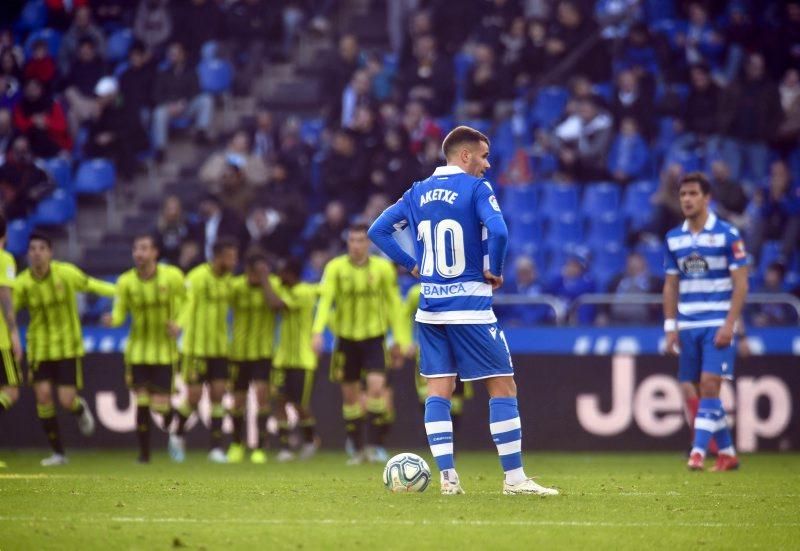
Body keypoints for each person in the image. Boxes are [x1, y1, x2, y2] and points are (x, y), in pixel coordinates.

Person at [368, 126, 559, 496]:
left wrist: (411, 263)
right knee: (503, 386)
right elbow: (499, 232)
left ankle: (448, 479)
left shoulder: (417, 191)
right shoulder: (476, 189)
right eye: (484, 156)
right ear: (466, 155)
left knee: (439, 390)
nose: (488, 165)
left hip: (431, 309)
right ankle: (515, 479)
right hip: (470, 307)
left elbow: (378, 230)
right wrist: (497, 269)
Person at [663, 172, 748, 472]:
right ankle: (727, 453)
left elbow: (741, 284)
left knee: (711, 385)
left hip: (717, 323)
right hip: (688, 326)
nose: (686, 199)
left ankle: (697, 453)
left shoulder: (728, 235)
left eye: (692, 194)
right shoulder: (674, 238)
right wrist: (670, 327)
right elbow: (671, 285)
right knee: (695, 389)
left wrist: (731, 324)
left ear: (706, 198)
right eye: (683, 194)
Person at [14, 232, 116, 466]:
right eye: (33, 249)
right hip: (39, 348)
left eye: (42, 248)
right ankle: (58, 453)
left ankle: (79, 409)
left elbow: (92, 285)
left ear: (50, 253)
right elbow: (8, 311)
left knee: (66, 399)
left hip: (68, 347)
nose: (37, 253)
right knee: (43, 397)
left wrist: (121, 291)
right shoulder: (22, 283)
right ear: (28, 253)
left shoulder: (66, 273)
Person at [311, 223, 409, 465]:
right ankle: (356, 449)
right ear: (348, 243)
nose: (357, 245)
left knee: (376, 390)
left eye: (361, 240)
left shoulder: (383, 268)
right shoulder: (335, 268)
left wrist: (401, 339)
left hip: (374, 339)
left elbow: (394, 305)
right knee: (351, 398)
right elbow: (325, 302)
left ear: (369, 244)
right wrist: (317, 331)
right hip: (345, 340)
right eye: (353, 240)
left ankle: (374, 447)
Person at [102, 234, 185, 463]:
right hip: (137, 351)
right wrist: (113, 320)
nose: (139, 253)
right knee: (141, 401)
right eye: (136, 248)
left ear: (155, 252)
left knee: (160, 406)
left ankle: (174, 426)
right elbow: (120, 312)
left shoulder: (173, 277)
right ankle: (144, 455)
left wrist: (179, 323)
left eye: (144, 248)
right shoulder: (125, 281)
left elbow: (189, 302)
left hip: (164, 352)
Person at [171, 236, 239, 463]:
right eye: (230, 257)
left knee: (219, 396)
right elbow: (187, 304)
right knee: (194, 397)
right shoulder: (197, 277)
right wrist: (179, 324)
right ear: (218, 257)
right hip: (196, 349)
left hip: (220, 349)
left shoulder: (230, 281)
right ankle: (177, 433)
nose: (234, 261)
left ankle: (215, 449)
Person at [226, 250, 283, 465]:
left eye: (262, 271)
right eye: (255, 271)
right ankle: (236, 444)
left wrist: (266, 280)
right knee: (238, 401)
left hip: (264, 353)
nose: (257, 276)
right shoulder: (236, 286)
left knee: (262, 397)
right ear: (247, 270)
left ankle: (260, 446)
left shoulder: (272, 284)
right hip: (239, 353)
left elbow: (277, 306)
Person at [404, 283, 473, 433]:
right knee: (427, 394)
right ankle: (435, 441)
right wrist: (406, 341)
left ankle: (451, 444)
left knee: (455, 399)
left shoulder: (461, 288)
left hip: (457, 350)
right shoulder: (417, 292)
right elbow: (405, 316)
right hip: (428, 350)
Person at [273, 258, 321, 462]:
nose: (278, 277)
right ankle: (284, 447)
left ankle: (311, 440)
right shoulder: (285, 289)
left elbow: (276, 304)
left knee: (300, 405)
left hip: (303, 360)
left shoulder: (304, 292)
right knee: (280, 401)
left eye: (281, 273)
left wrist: (268, 283)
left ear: (291, 274)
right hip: (282, 359)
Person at [0, 214, 23, 433]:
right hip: (1, 340)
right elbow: (5, 296)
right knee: (11, 390)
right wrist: (14, 334)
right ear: (5, 235)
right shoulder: (4, 259)